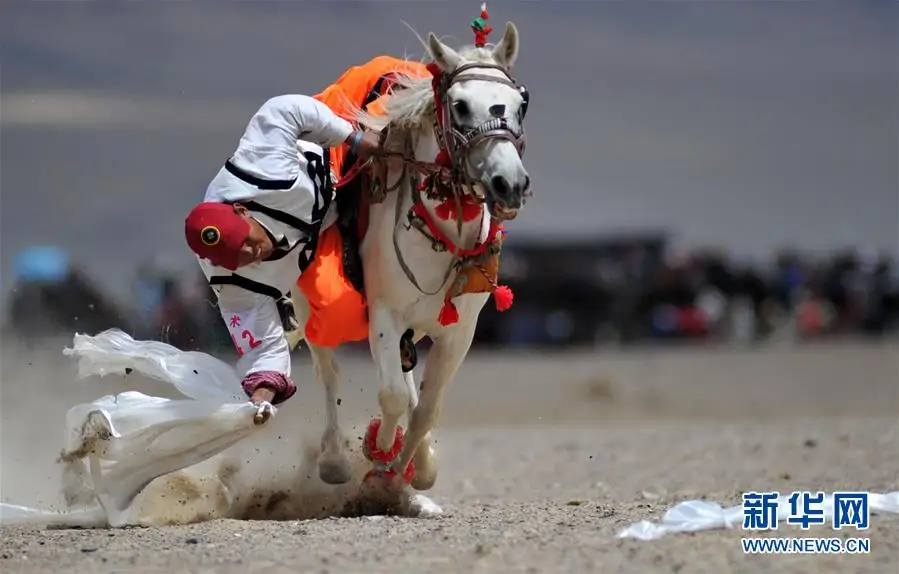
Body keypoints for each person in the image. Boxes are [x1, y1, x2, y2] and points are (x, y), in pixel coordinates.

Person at [183, 94, 380, 425]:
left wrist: (353, 137)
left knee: (387, 79)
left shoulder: (261, 168)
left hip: (328, 143)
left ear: (242, 209)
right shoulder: (234, 288)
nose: (250, 254)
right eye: (236, 257)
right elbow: (263, 351)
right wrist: (260, 401)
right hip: (325, 227)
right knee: (340, 313)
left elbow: (284, 110)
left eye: (245, 240)